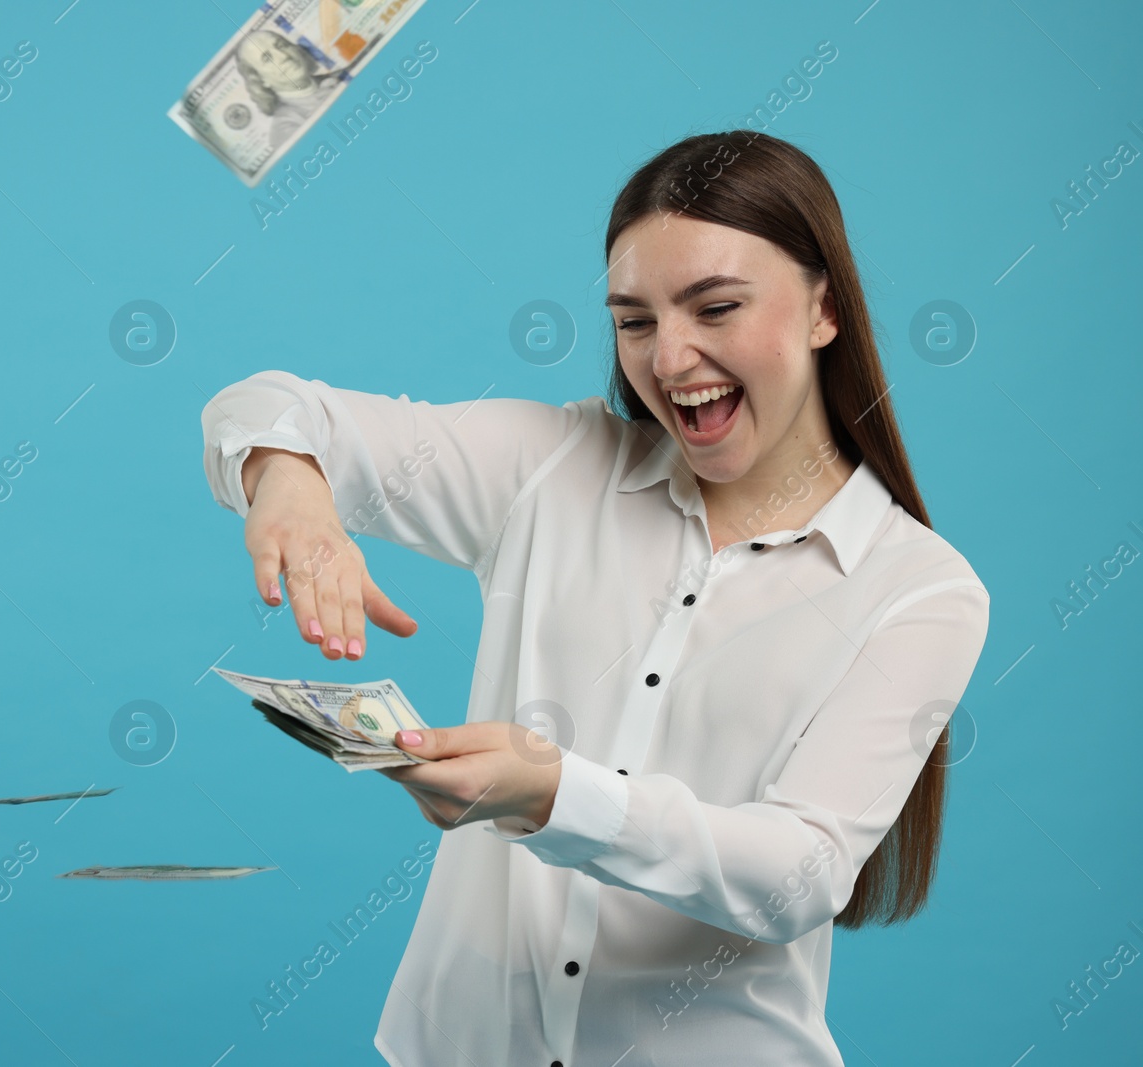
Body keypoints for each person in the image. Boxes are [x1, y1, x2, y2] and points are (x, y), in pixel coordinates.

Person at [199, 130, 990, 1066]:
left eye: (716, 306)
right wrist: (289, 481)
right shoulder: (554, 469)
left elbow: (797, 873)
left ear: (824, 307)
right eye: (635, 320)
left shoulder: (920, 589)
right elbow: (267, 402)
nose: (671, 356)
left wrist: (554, 794)